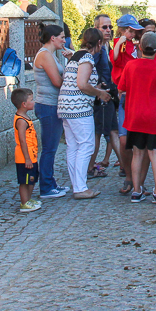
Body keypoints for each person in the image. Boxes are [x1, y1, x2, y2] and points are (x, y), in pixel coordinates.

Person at [117, 32, 156, 203]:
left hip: (134, 116)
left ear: (140, 47)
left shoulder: (130, 66)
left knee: (137, 154)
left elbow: (121, 88)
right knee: (154, 154)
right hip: (153, 117)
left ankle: (136, 191)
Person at [57, 28, 111, 200]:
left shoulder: (75, 56)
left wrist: (96, 89)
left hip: (66, 106)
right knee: (86, 145)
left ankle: (77, 185)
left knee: (73, 146)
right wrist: (100, 93)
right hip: (79, 107)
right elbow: (82, 84)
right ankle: (80, 188)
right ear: (99, 43)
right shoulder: (87, 58)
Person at [33, 23, 72, 199]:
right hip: (48, 105)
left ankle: (51, 183)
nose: (64, 40)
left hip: (51, 104)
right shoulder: (45, 55)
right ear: (53, 38)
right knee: (49, 148)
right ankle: (46, 187)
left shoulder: (51, 55)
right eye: (62, 37)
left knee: (52, 147)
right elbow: (57, 82)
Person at [111, 14, 145, 194]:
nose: (133, 34)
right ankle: (129, 174)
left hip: (135, 89)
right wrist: (120, 43)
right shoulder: (120, 43)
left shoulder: (133, 45)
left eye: (133, 31)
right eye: (130, 31)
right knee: (124, 139)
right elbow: (115, 60)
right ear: (123, 30)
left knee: (140, 140)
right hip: (124, 90)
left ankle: (138, 179)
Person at [88, 14, 120, 180]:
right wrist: (99, 87)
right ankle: (90, 167)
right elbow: (90, 69)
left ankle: (125, 166)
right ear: (96, 29)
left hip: (108, 94)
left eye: (110, 27)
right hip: (100, 97)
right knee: (98, 133)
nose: (108, 30)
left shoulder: (106, 47)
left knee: (113, 131)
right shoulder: (97, 49)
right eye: (104, 27)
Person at [11, 88, 41, 213]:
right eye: (31, 100)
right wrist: (27, 158)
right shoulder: (21, 121)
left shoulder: (25, 117)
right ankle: (24, 203)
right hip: (24, 157)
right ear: (24, 104)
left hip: (31, 155)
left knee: (32, 179)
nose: (34, 102)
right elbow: (22, 140)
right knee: (25, 181)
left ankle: (28, 199)